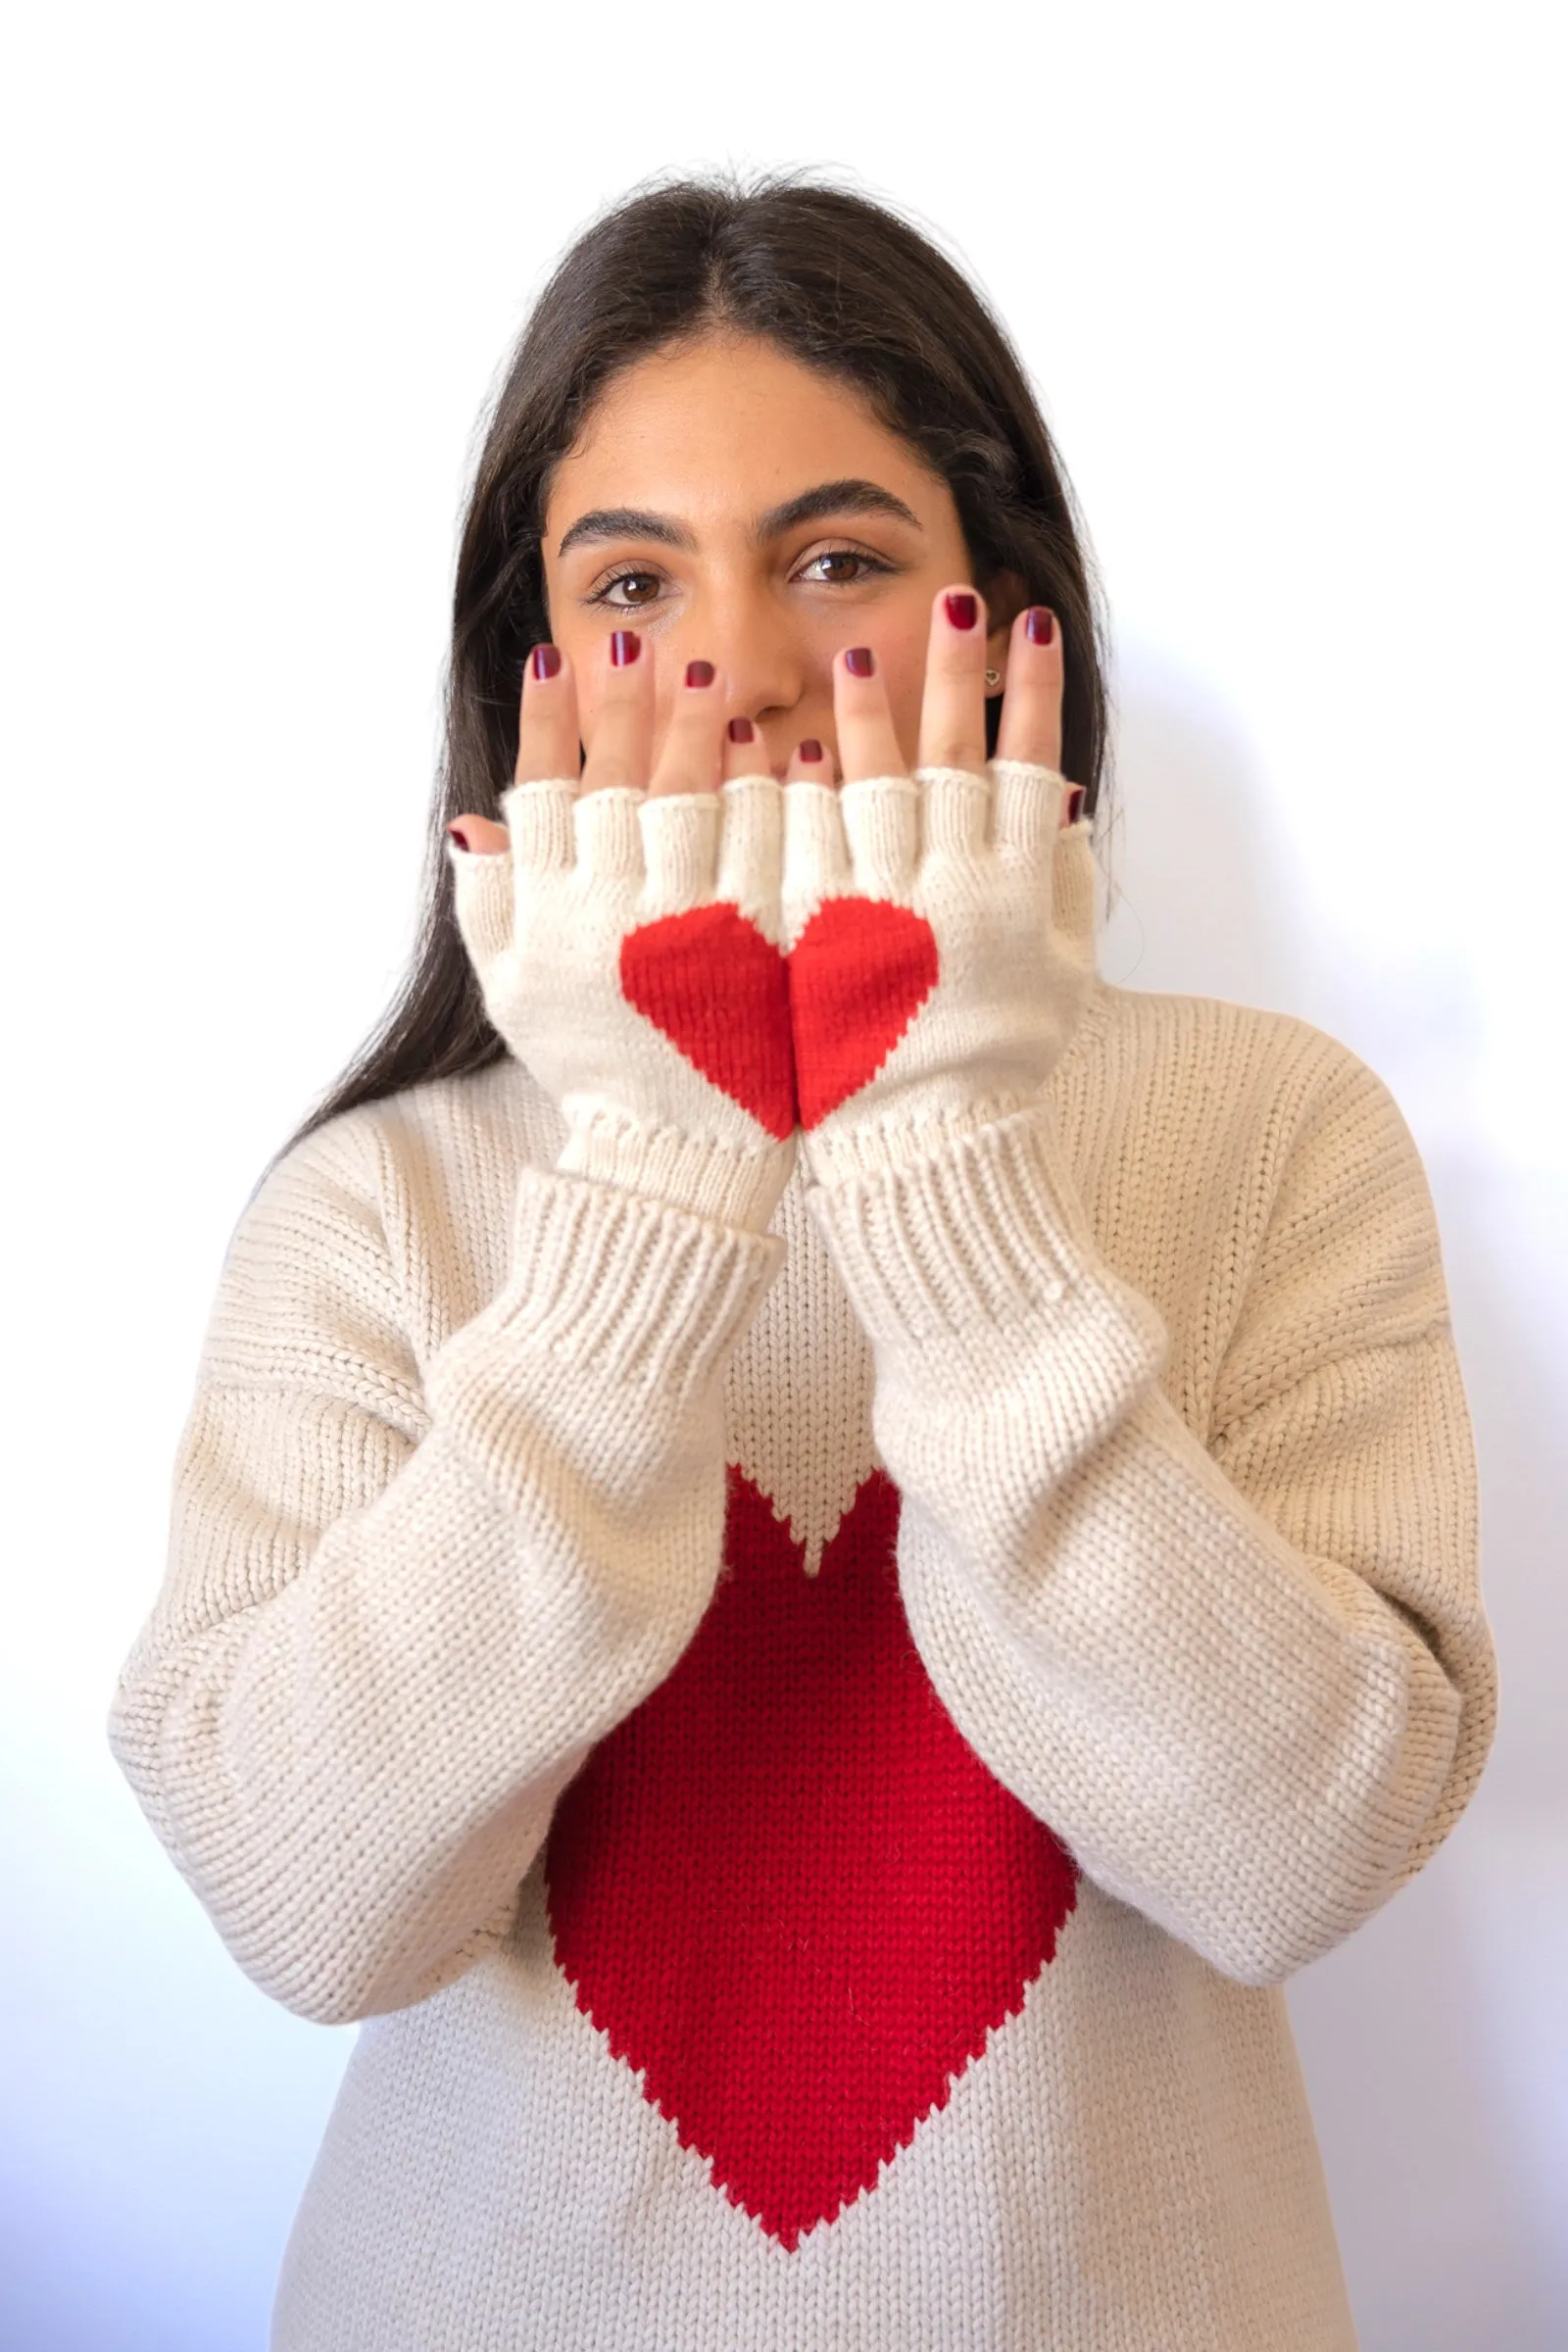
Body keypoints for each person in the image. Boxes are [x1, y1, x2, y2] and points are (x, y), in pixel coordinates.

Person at [108, 171, 1497, 2351]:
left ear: (1003, 614)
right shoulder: (377, 1206)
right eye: (631, 582)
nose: (740, 666)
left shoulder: (1265, 1135)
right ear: (533, 678)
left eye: (838, 559)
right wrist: (658, 1160)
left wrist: (930, 1141)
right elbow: (318, 1910)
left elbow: (1290, 1860)